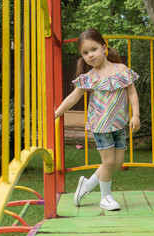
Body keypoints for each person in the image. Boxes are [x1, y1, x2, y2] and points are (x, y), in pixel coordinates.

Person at [55, 27, 140, 211]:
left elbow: (131, 92)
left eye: (93, 49)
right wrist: (55, 113)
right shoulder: (89, 78)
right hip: (101, 125)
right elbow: (72, 98)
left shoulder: (121, 70)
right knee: (108, 163)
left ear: (104, 47)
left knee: (117, 163)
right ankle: (105, 197)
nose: (90, 55)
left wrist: (136, 115)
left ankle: (86, 185)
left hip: (119, 123)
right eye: (85, 53)